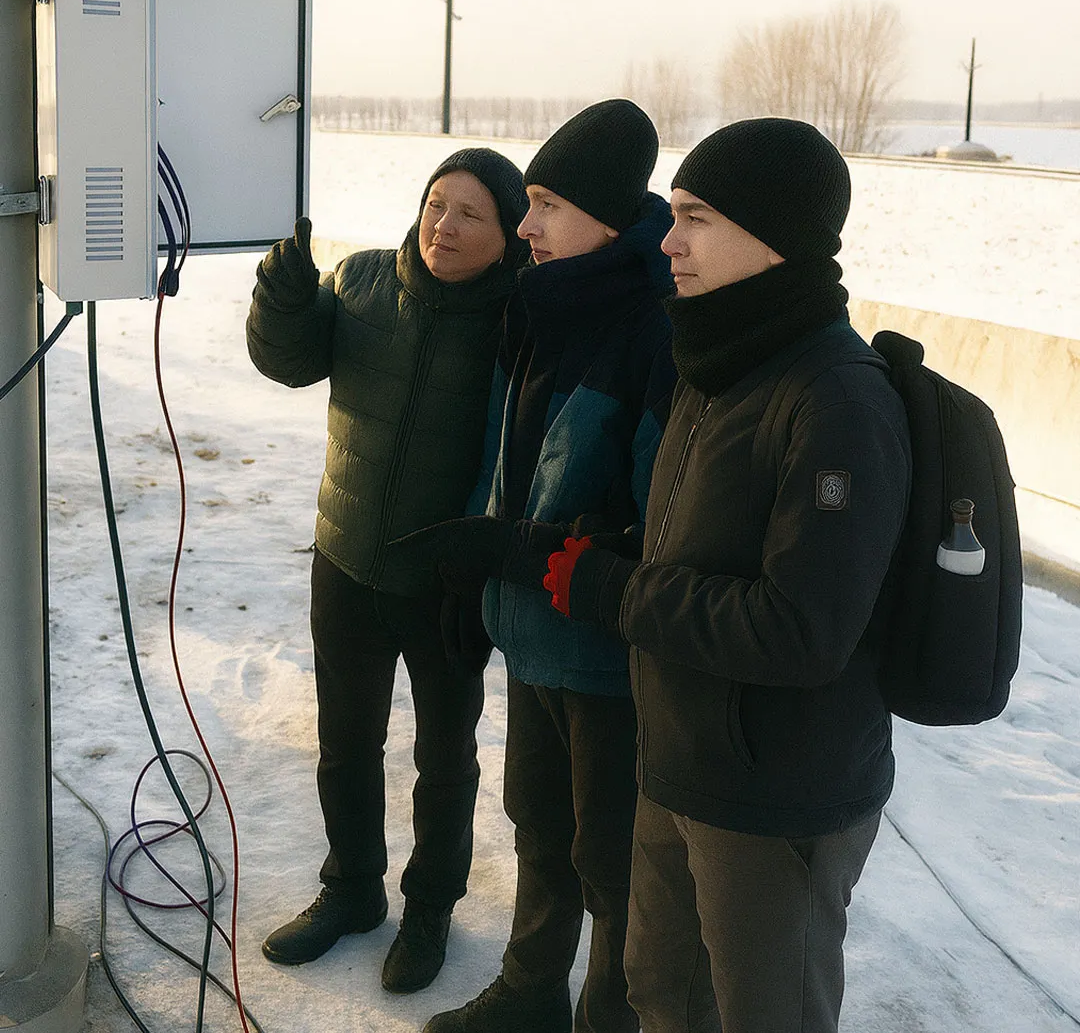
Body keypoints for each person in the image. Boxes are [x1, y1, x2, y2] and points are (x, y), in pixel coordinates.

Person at [503, 118, 913, 1033]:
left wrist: (612, 589)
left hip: (776, 798)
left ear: (773, 238)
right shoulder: (717, 361)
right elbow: (696, 545)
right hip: (678, 761)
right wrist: (597, 549)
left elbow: (801, 630)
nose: (670, 241)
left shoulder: (837, 400)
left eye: (695, 218)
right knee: (661, 997)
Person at [392, 98, 676, 1033]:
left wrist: (517, 555)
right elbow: (505, 463)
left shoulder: (654, 333)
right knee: (538, 823)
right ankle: (529, 989)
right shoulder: (541, 305)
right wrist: (483, 577)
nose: (525, 225)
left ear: (606, 220)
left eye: (548, 205)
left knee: (611, 859)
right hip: (531, 632)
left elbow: (657, 531)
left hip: (605, 655)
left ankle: (609, 1015)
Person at [246, 147, 528, 996]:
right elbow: (289, 359)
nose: (445, 226)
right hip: (346, 560)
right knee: (345, 742)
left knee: (445, 757)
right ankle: (352, 890)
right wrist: (283, 297)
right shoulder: (364, 281)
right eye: (437, 204)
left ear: (509, 234)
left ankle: (430, 907)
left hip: (446, 584)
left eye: (470, 214)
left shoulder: (521, 320)